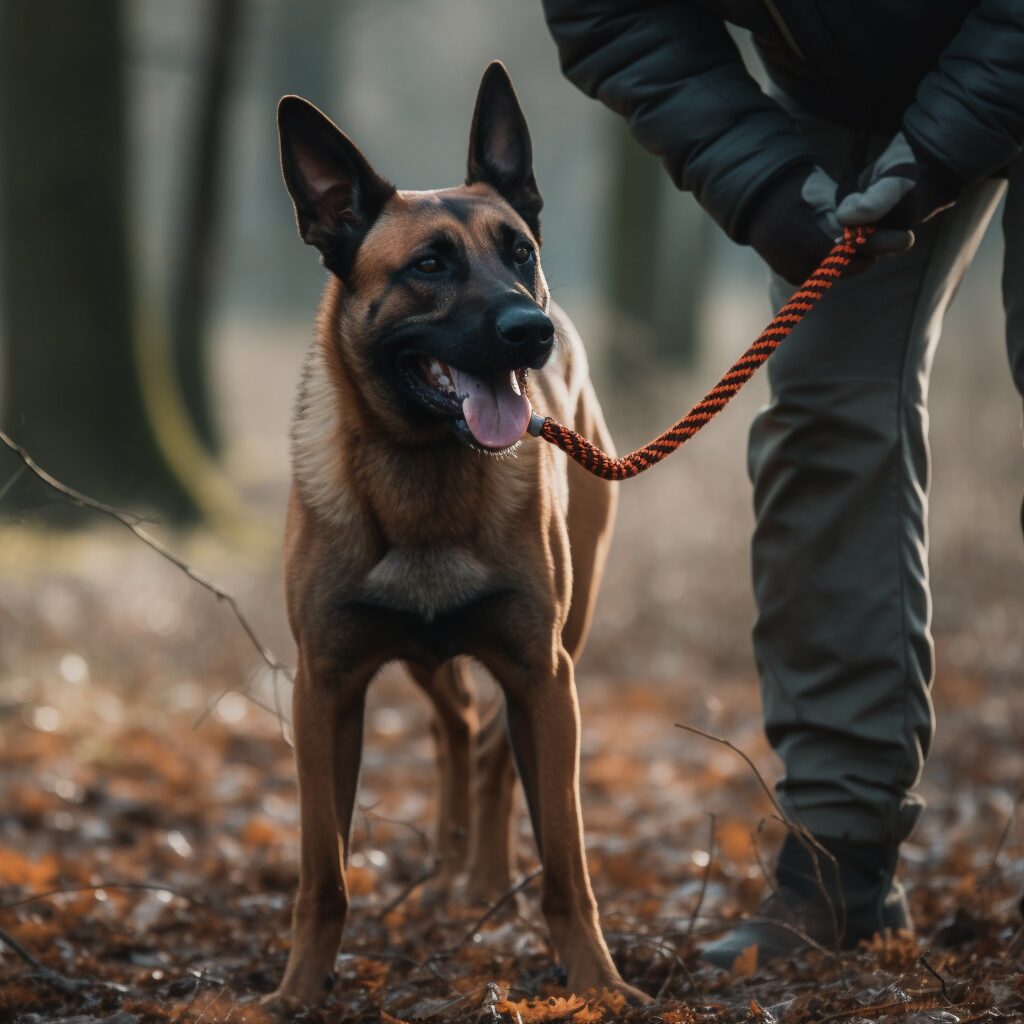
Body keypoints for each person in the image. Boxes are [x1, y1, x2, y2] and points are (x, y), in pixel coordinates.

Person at [540, 0, 1024, 967]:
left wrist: (937, 149)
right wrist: (762, 185)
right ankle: (835, 871)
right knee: (825, 425)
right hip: (849, 103)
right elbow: (609, 13)